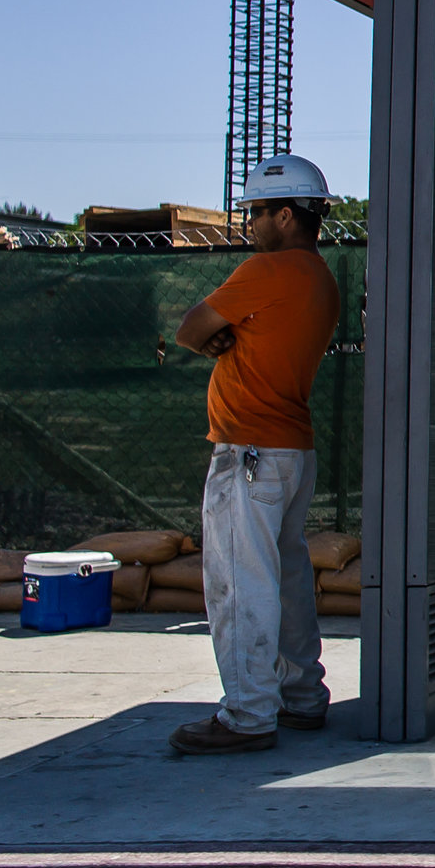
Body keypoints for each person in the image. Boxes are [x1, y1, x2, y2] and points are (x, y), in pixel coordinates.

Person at [167, 154, 340, 755]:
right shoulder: (320, 278)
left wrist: (216, 333)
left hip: (249, 452)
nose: (250, 224)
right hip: (290, 451)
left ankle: (246, 715)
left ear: (286, 214)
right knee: (287, 579)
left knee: (241, 585)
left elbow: (191, 328)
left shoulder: (268, 272)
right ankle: (301, 696)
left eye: (257, 212)